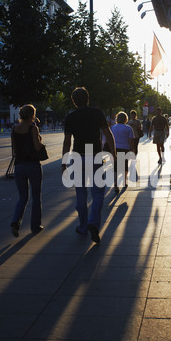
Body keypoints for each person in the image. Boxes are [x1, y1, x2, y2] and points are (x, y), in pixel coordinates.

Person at [62, 87, 116, 244]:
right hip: (95, 156)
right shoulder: (97, 113)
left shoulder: (70, 117)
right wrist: (113, 152)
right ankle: (94, 222)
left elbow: (67, 142)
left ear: (74, 101)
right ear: (88, 98)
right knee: (98, 193)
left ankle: (83, 226)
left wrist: (64, 162)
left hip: (78, 157)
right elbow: (108, 134)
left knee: (80, 192)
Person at [10, 104, 44, 237]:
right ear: (32, 115)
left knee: (23, 197)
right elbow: (37, 147)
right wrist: (40, 140)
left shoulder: (14, 128)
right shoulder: (32, 128)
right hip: (32, 165)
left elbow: (14, 150)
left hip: (19, 166)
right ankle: (35, 226)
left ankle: (15, 221)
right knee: (36, 197)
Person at [111, 111, 134, 193]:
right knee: (125, 166)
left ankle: (116, 184)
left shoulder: (113, 127)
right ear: (126, 119)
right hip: (125, 149)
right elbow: (131, 141)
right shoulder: (128, 128)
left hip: (115, 149)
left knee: (116, 168)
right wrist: (132, 150)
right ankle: (124, 182)